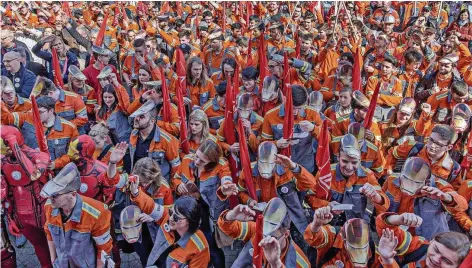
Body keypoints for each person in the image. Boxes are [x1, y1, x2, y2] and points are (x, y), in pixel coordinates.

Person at [172, 140, 238, 267]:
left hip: (208, 213)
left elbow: (226, 177)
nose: (196, 162)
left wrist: (225, 187)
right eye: (196, 156)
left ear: (212, 162)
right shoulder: (187, 159)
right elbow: (175, 178)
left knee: (211, 247)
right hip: (189, 210)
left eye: (202, 161)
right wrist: (178, 185)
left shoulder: (221, 164)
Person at [41, 163, 113, 268]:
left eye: (55, 195)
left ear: (73, 194)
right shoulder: (49, 206)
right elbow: (49, 232)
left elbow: (104, 248)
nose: (51, 198)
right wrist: (53, 259)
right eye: (51, 194)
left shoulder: (97, 212)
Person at [127, 176, 210, 267]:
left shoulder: (200, 247)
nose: (170, 218)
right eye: (171, 212)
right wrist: (136, 193)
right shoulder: (167, 217)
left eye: (176, 218)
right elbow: (151, 206)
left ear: (189, 221)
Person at [0, 125, 53, 268]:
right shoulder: (3, 162)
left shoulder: (38, 155)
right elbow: (5, 196)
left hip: (45, 212)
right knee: (39, 247)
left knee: (56, 246)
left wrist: (15, 146)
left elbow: (34, 174)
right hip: (22, 217)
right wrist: (10, 219)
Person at [217, 198, 310, 267]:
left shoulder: (301, 263)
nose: (264, 242)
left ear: (286, 234)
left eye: (272, 238)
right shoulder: (258, 230)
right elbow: (228, 227)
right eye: (264, 234)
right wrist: (231, 215)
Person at [1, 96, 79, 171]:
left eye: (40, 112)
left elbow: (73, 154)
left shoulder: (70, 128)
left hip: (56, 173)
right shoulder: (27, 117)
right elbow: (7, 118)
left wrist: (56, 164)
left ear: (51, 111)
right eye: (35, 111)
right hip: (30, 168)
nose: (36, 115)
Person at [262, 84, 323, 173]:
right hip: (282, 169)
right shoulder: (270, 116)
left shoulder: (313, 114)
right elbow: (263, 145)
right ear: (285, 100)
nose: (295, 112)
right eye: (292, 108)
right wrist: (276, 143)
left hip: (305, 167)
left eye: (299, 108)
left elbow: (327, 140)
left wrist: (314, 128)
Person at [129, 100, 181, 179]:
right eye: (136, 115)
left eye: (141, 116)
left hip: (157, 185)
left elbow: (176, 166)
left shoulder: (167, 140)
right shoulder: (133, 134)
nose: (136, 118)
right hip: (138, 184)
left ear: (152, 121)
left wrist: (171, 187)